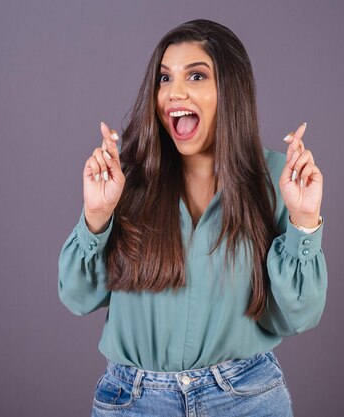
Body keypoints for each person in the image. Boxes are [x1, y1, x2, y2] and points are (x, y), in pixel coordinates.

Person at [58, 19, 327, 416]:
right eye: (164, 79)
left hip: (245, 399)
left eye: (196, 76)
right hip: (134, 402)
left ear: (230, 91)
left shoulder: (278, 179)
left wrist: (304, 220)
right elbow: (78, 298)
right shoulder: (126, 179)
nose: (174, 93)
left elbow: (297, 316)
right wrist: (96, 215)